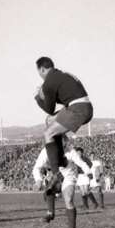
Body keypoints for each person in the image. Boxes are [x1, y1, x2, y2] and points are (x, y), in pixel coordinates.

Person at [34, 57, 93, 194]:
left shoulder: (48, 82)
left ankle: (56, 174)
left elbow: (49, 108)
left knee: (48, 133)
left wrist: (38, 97)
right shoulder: (61, 75)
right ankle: (61, 160)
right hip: (83, 105)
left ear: (42, 69)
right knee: (50, 121)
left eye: (39, 72)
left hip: (78, 108)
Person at [32, 135, 92, 228]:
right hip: (56, 174)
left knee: (68, 199)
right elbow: (36, 168)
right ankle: (50, 213)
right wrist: (38, 181)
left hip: (69, 175)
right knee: (48, 191)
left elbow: (81, 163)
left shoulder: (70, 151)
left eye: (64, 141)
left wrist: (88, 172)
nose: (64, 144)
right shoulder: (46, 151)